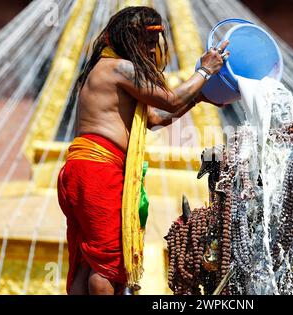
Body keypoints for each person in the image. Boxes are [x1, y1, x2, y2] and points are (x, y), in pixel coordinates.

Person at [57, 6, 229, 295]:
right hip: (98, 168)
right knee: (109, 264)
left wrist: (198, 97)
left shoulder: (105, 67)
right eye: (146, 43)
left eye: (154, 43)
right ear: (127, 39)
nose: (151, 51)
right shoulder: (119, 68)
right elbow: (171, 101)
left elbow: (155, 119)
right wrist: (204, 71)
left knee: (89, 261)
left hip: (83, 168)